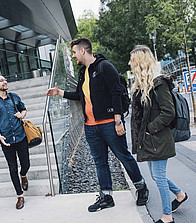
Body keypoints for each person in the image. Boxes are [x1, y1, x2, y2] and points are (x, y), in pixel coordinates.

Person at [46, 37, 149, 212]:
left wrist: (118, 120)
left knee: (123, 156)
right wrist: (60, 92)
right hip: (91, 126)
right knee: (100, 162)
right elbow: (80, 95)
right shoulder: (83, 72)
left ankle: (141, 187)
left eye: (74, 52)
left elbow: (116, 93)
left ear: (83, 51)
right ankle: (106, 197)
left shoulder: (104, 67)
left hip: (110, 123)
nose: (73, 56)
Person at [129, 45, 188, 223]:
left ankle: (167, 217)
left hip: (159, 138)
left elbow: (168, 112)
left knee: (159, 177)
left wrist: (150, 129)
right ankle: (180, 194)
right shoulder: (142, 86)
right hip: (151, 139)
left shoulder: (159, 83)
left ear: (140, 62)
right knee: (156, 176)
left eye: (132, 60)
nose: (129, 63)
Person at [0, 73, 30, 210]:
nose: (5, 82)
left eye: (5, 79)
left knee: (26, 164)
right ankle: (20, 196)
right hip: (6, 140)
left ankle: (23, 175)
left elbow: (24, 109)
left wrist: (21, 114)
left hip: (20, 136)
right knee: (12, 167)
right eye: (1, 81)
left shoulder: (14, 97)